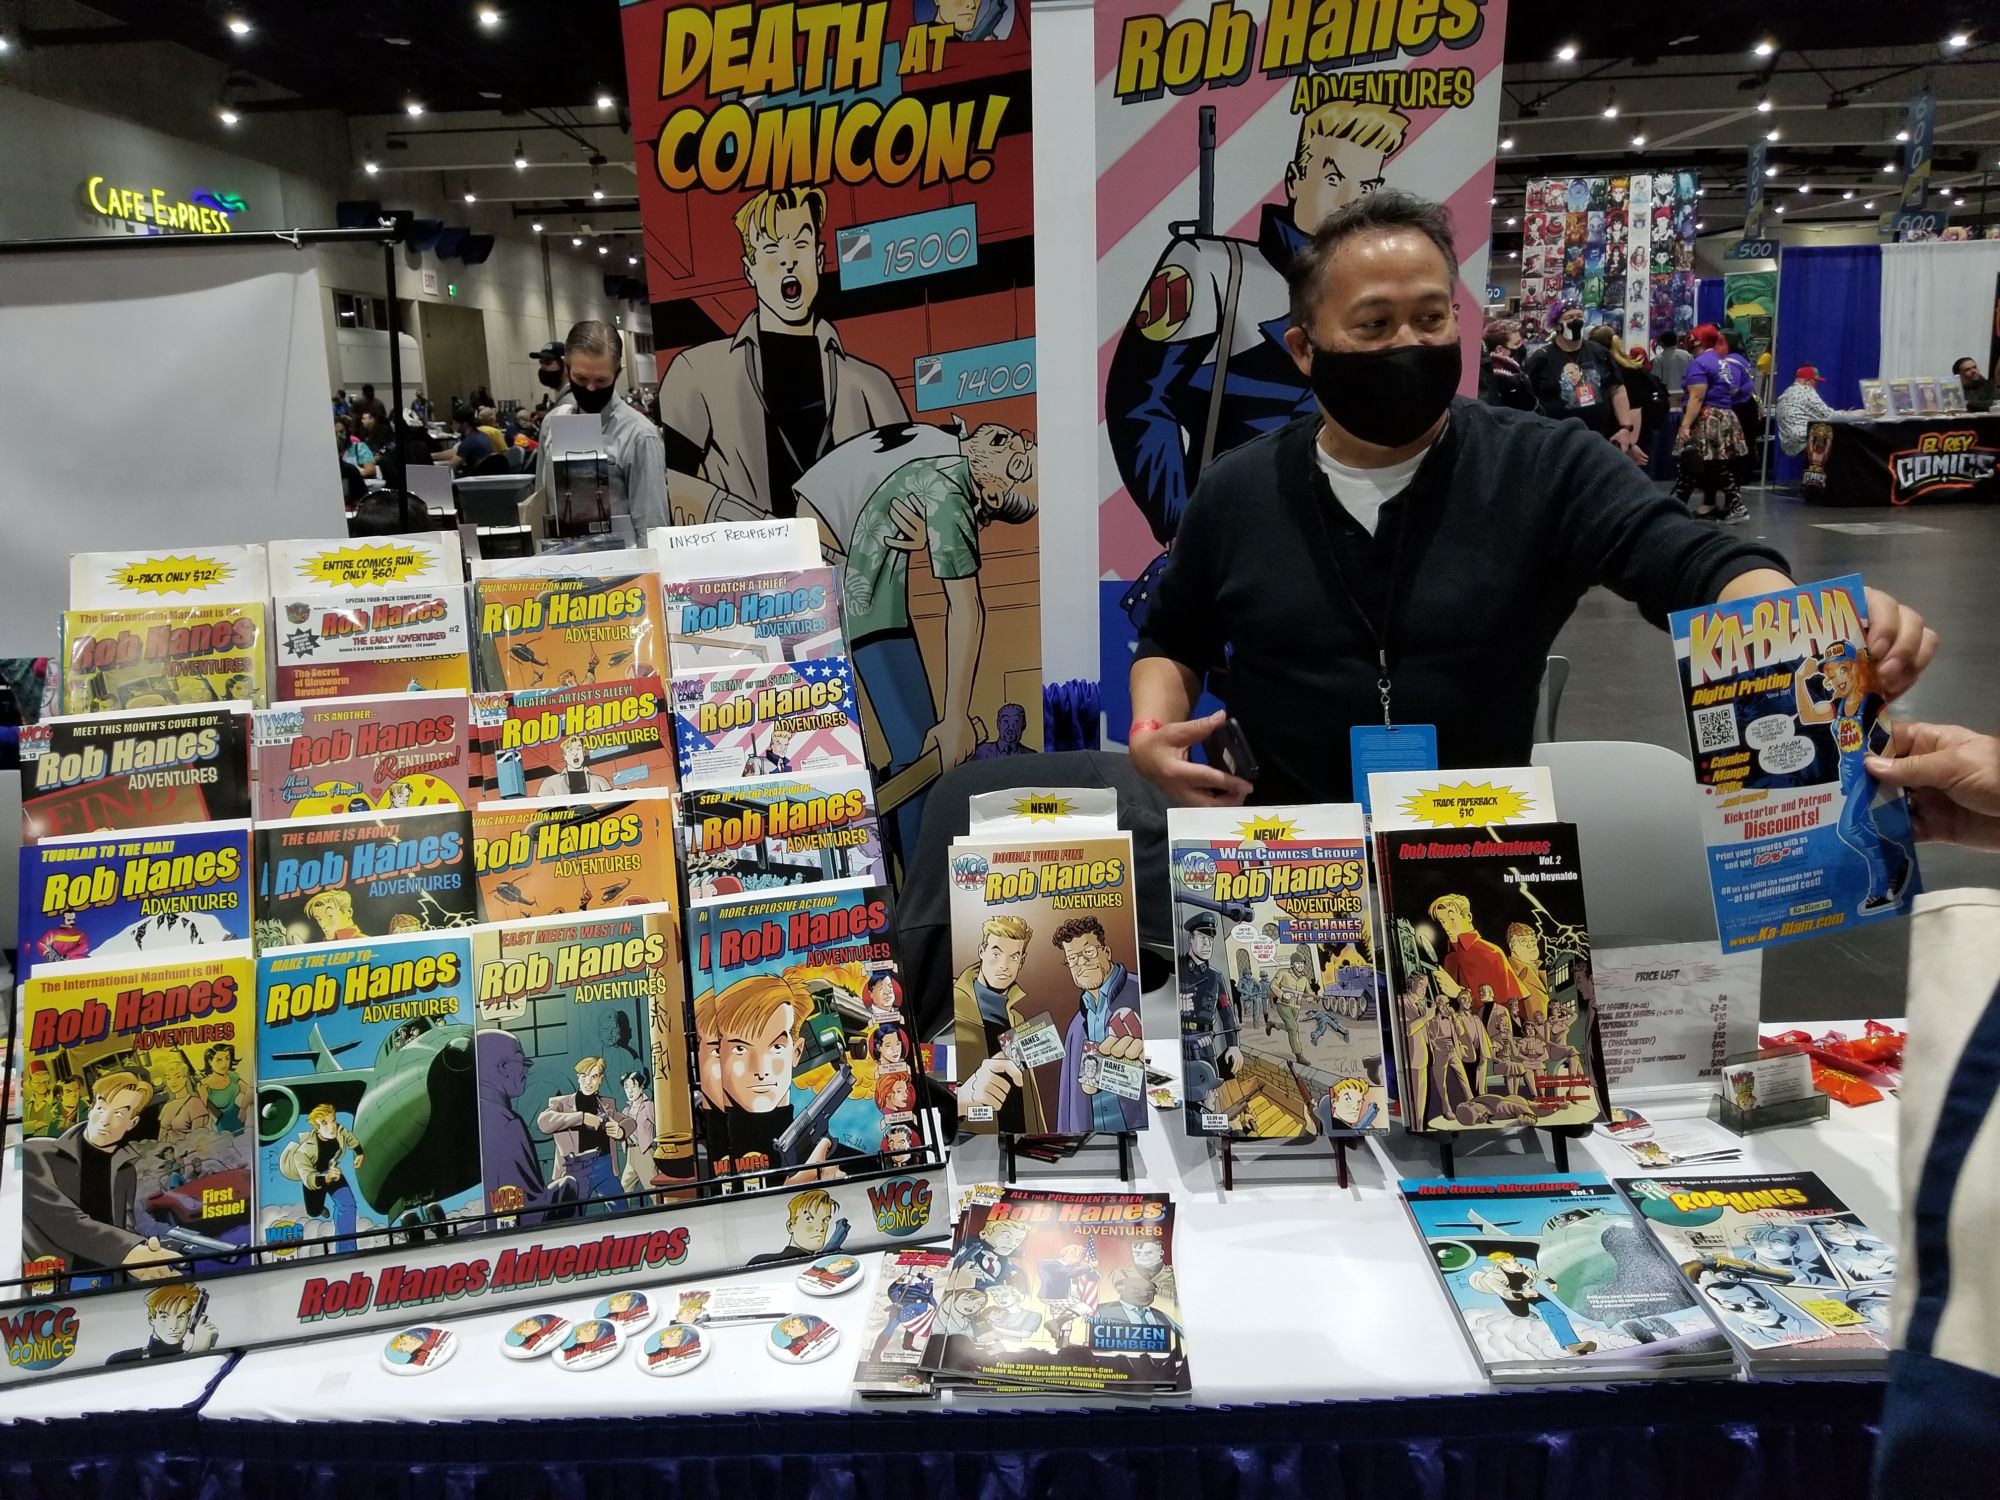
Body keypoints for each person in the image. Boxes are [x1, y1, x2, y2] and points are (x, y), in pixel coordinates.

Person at [1126, 189, 1939, 808]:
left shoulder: (1544, 466)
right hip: (1285, 863)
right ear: (1306, 350)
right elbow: (1172, 637)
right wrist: (1152, 733)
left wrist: (1804, 621)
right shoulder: (1238, 489)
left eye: (1431, 318)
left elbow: (1692, 562)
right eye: (1373, 325)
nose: (1409, 343)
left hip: (1479, 852)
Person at [659, 185, 906, 524]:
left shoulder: (870, 385)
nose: (789, 259)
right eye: (772, 248)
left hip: (850, 558)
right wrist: (752, 525)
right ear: (750, 269)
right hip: (752, 557)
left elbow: (913, 488)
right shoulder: (696, 373)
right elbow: (670, 484)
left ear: (818, 259)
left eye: (800, 244)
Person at [533, 319, 668, 535]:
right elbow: (542, 505)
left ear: (618, 373)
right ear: (567, 370)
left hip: (624, 555)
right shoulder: (551, 424)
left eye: (601, 380)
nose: (590, 388)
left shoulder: (640, 435)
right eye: (581, 378)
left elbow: (652, 528)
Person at [1522, 299, 1639, 455]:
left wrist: (1625, 428)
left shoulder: (1599, 353)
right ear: (1556, 325)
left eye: (1579, 316)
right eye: (1569, 317)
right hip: (1557, 443)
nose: (1576, 321)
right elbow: (1526, 401)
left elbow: (1617, 389)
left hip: (1599, 439)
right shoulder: (1540, 359)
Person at [1672, 324, 1753, 524]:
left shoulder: (1700, 364)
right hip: (1724, 414)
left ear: (1698, 340)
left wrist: (1685, 425)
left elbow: (1697, 397)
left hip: (1707, 417)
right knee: (1710, 463)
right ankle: (1680, 502)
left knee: (1706, 462)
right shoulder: (1722, 362)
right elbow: (1740, 390)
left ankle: (1736, 505)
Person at [1586, 324, 1661, 456]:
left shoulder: (1613, 371)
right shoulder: (1631, 368)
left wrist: (1631, 443)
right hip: (1629, 433)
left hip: (1624, 436)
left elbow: (1635, 407)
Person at [1775, 365, 1841, 456]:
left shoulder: (1786, 393)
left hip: (1788, 444)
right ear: (1808, 380)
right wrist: (1854, 415)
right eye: (1815, 381)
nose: (1816, 385)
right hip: (1803, 440)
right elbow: (1830, 416)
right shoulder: (1806, 390)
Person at [1478, 319, 1534, 411]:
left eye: (1521, 342)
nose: (1521, 347)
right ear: (1500, 350)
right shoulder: (1499, 378)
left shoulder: (1514, 370)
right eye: (1516, 344)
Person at [439, 406, 497, 471]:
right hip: (488, 474)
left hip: (475, 475)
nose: (453, 426)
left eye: (455, 423)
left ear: (465, 424)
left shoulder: (468, 442)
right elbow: (457, 452)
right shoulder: (484, 436)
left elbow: (451, 467)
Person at [1653, 329, 1692, 408]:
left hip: (1668, 397)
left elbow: (1656, 380)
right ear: (1676, 341)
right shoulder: (1687, 355)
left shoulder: (1658, 359)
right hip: (1686, 396)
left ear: (1662, 344)